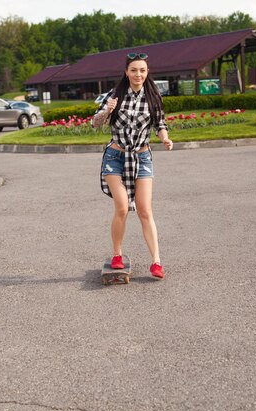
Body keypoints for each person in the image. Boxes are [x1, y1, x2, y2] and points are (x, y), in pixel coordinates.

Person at [92, 52, 173, 279]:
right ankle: (117, 254)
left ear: (147, 73)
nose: (138, 74)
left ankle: (156, 262)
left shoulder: (153, 96)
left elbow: (160, 123)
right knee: (122, 207)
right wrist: (107, 110)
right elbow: (95, 123)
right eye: (134, 70)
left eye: (143, 70)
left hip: (142, 157)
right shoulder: (114, 94)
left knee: (145, 210)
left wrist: (164, 138)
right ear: (126, 72)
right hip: (115, 158)